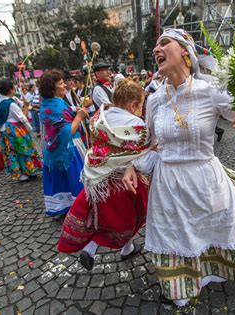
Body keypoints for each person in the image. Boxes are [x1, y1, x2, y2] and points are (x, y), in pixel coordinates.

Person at [122, 29, 235, 307]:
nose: (156, 49)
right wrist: (131, 165)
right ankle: (180, 285)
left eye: (164, 43)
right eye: (156, 45)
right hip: (168, 182)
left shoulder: (209, 91)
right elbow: (151, 144)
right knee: (173, 234)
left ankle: (209, 272)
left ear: (186, 52)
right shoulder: (154, 100)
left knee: (206, 229)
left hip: (204, 177)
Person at [57, 79, 150, 270]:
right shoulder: (136, 124)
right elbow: (143, 153)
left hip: (96, 178)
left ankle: (94, 248)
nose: (141, 109)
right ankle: (123, 248)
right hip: (122, 180)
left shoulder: (99, 116)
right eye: (141, 105)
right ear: (133, 105)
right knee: (131, 216)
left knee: (101, 217)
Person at [39, 70, 89, 216]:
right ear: (52, 88)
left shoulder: (50, 103)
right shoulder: (55, 106)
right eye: (60, 83)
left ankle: (65, 205)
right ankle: (79, 207)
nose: (65, 85)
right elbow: (67, 131)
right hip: (68, 148)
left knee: (63, 178)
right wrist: (79, 116)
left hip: (55, 148)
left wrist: (74, 109)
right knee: (74, 177)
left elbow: (63, 113)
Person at [0, 80, 42, 181]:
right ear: (11, 89)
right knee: (23, 150)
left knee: (11, 151)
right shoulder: (10, 104)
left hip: (4, 129)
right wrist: (25, 107)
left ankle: (19, 173)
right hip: (15, 129)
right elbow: (23, 118)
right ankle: (29, 170)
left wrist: (23, 104)